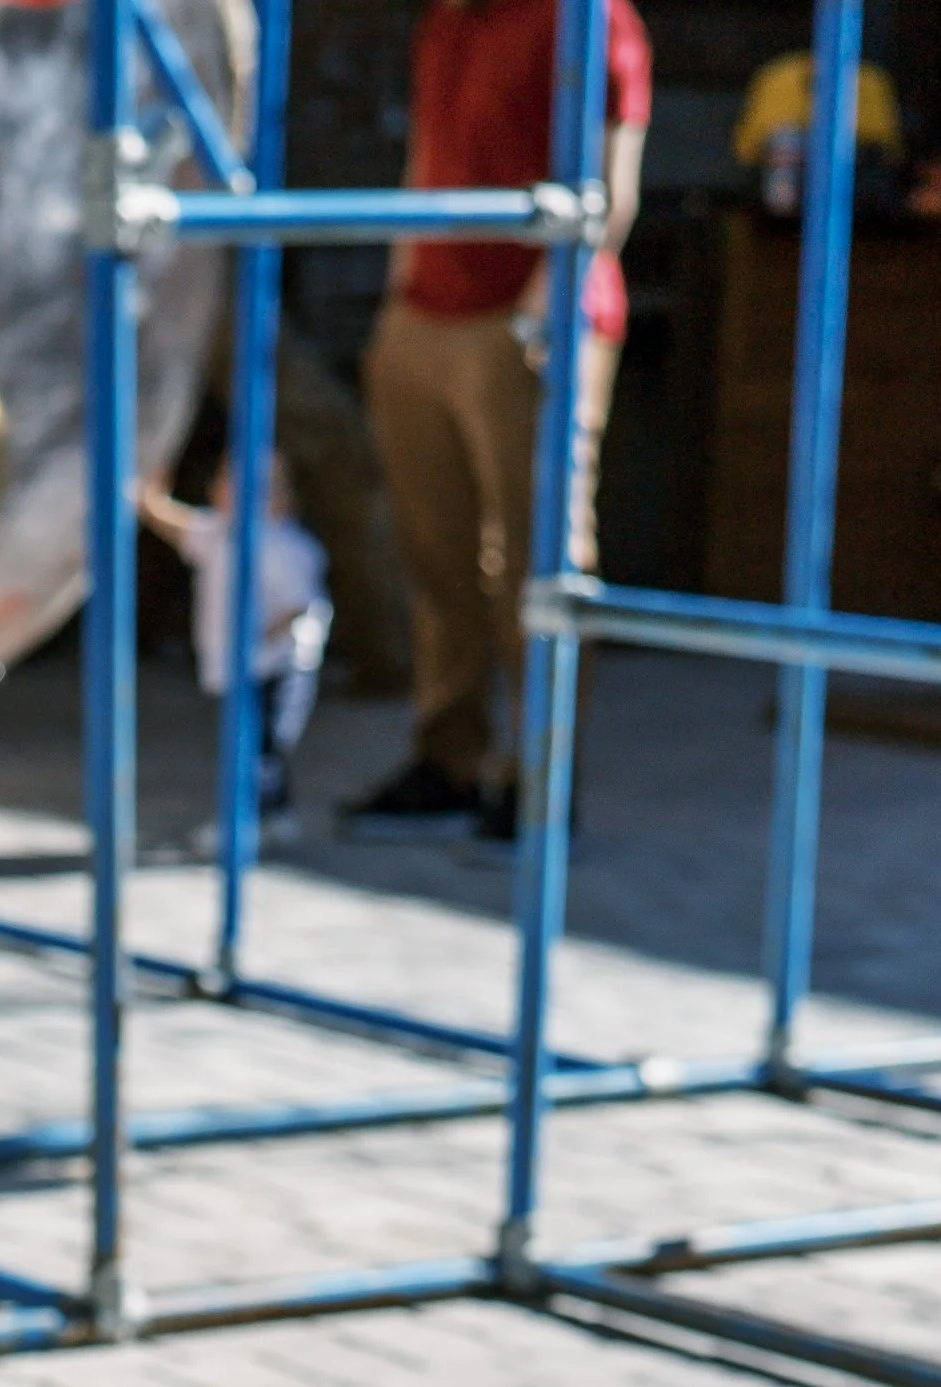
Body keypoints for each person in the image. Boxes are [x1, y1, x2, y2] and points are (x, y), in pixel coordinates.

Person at [344, 0, 651, 843]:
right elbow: (424, 159)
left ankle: (542, 774)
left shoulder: (589, 19)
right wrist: (399, 295)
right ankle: (449, 756)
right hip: (426, 315)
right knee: (435, 553)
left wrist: (538, 313)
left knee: (535, 558)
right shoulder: (446, 20)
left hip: (525, 323)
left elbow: (606, 185)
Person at [138, 445, 333, 826]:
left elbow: (301, 604)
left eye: (256, 487)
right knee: (250, 746)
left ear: (283, 501)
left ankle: (245, 823)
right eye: (228, 480)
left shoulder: (284, 546)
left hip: (277, 667)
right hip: (235, 663)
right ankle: (275, 815)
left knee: (257, 751)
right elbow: (176, 525)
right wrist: (150, 498)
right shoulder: (219, 533)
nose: (233, 491)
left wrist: (262, 632)